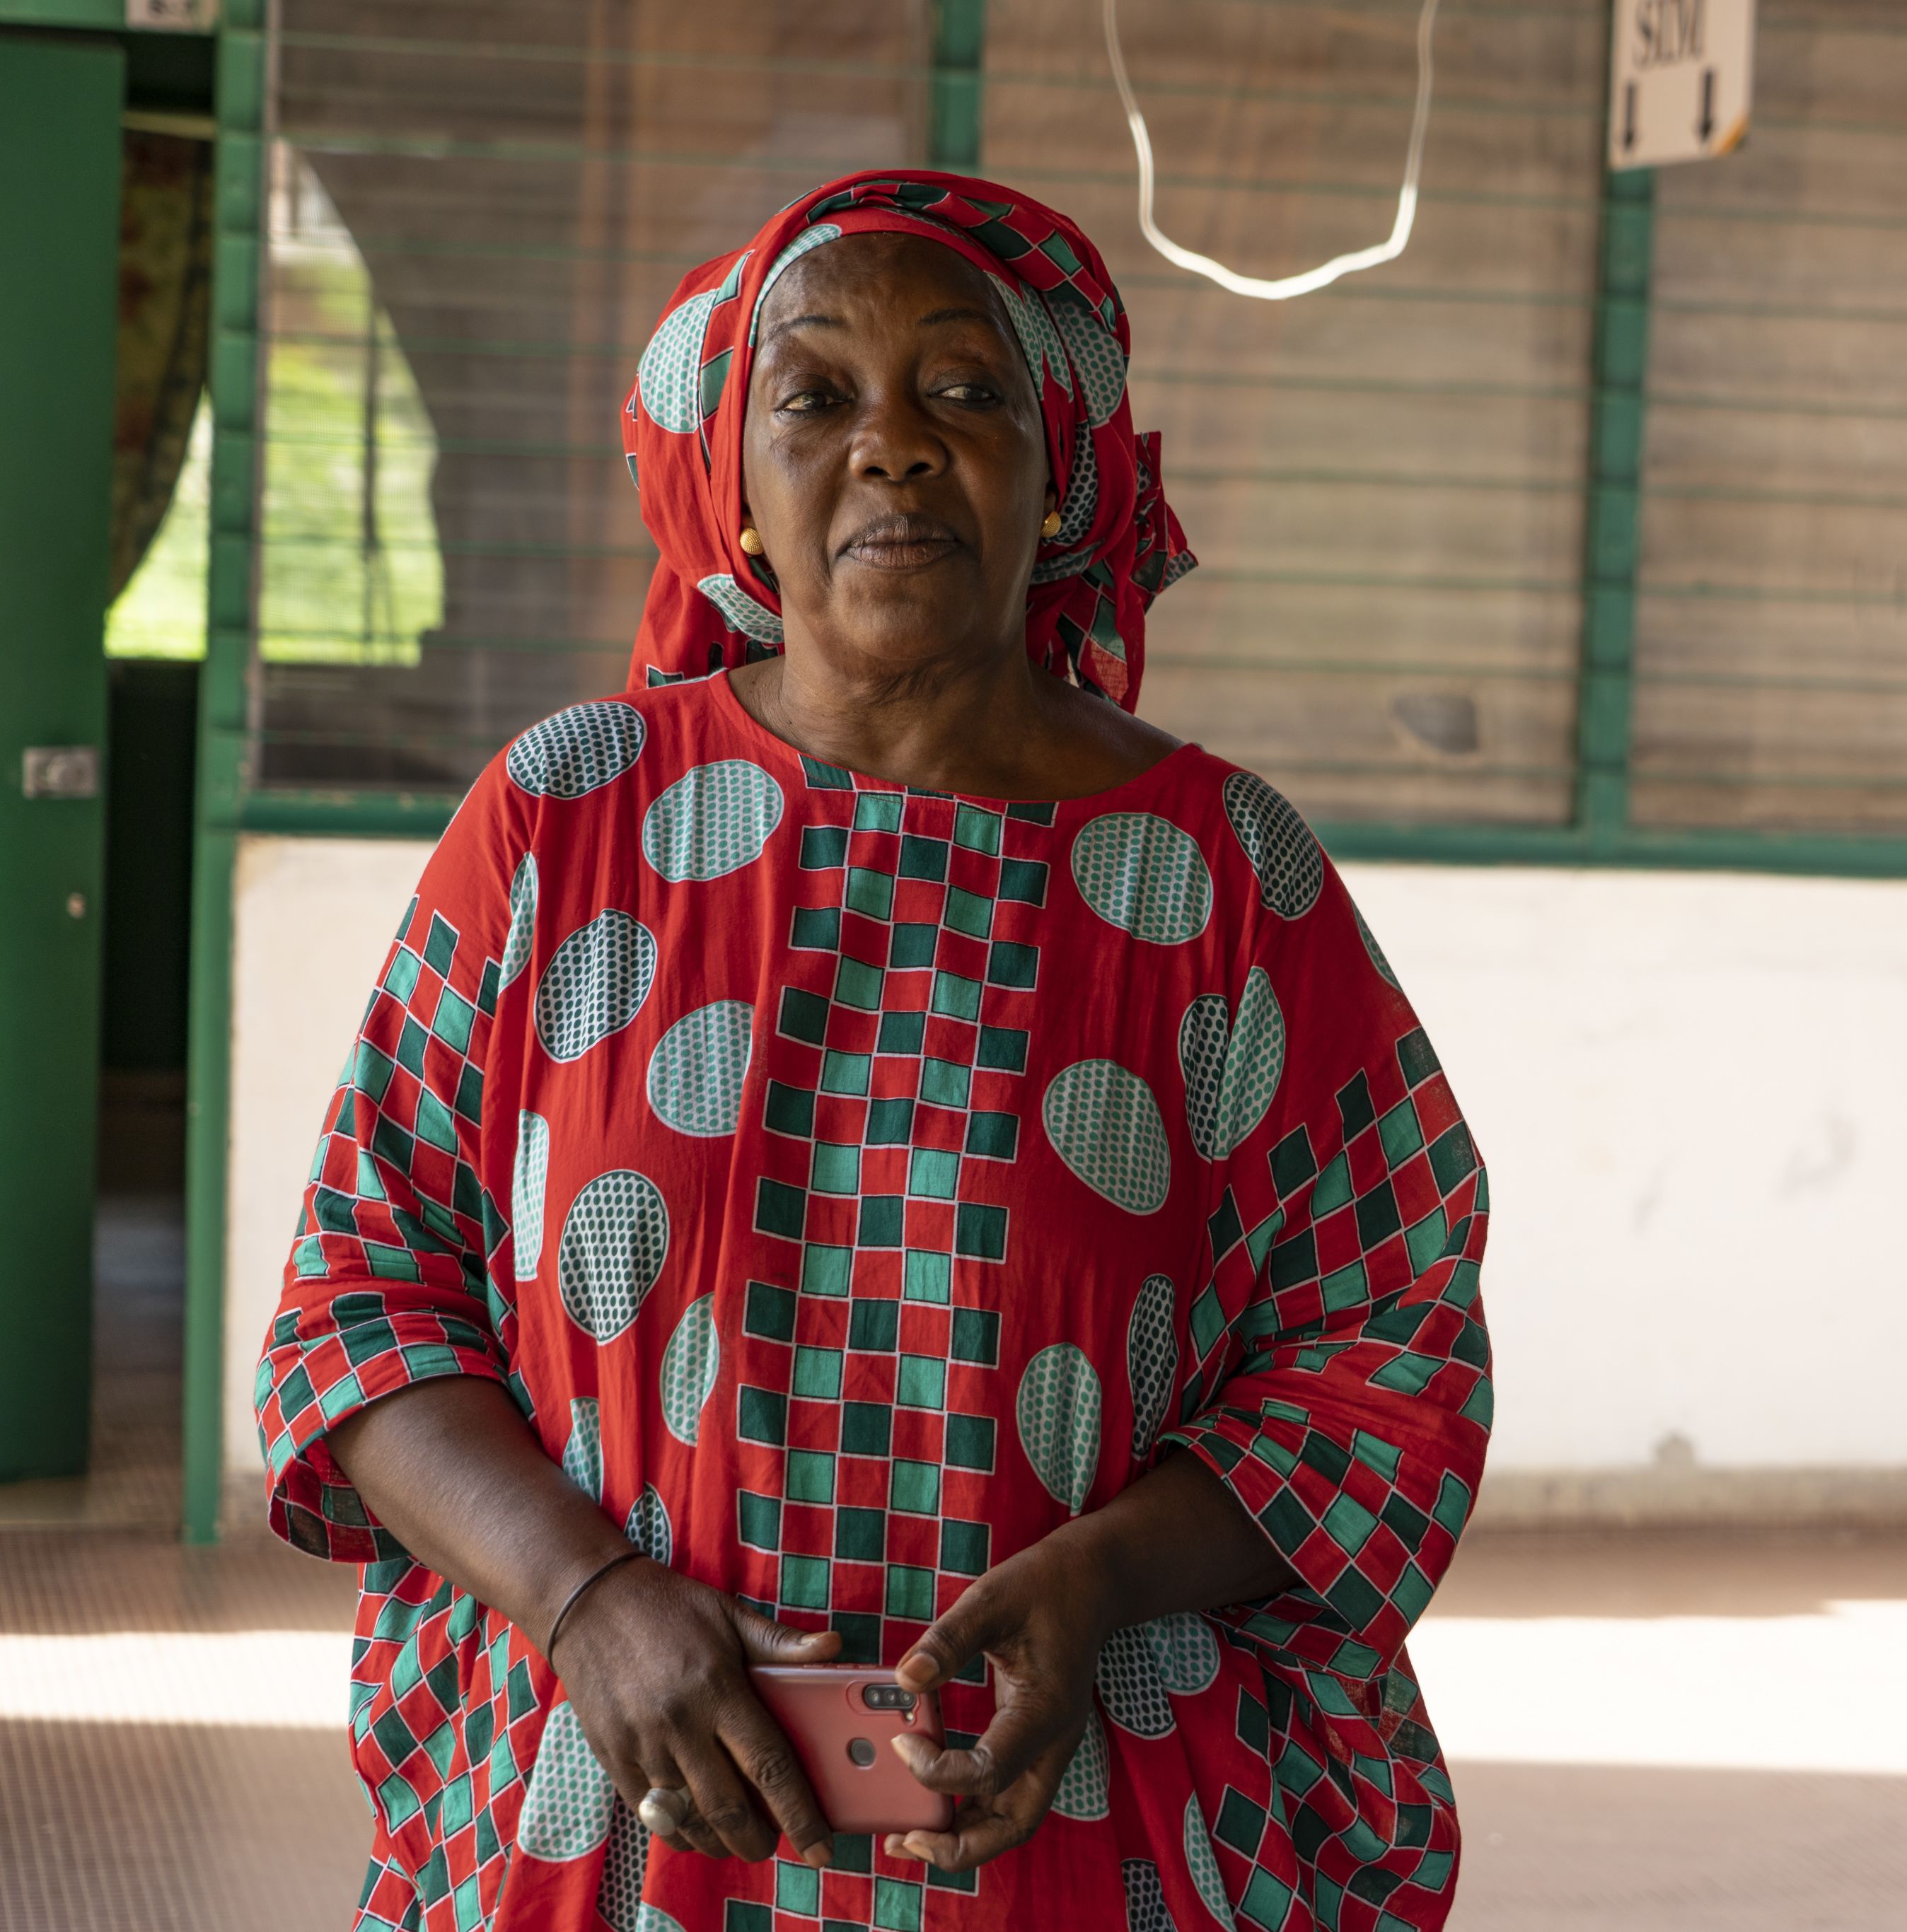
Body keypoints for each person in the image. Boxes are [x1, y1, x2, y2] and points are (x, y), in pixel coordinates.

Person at [255, 170, 1494, 1932]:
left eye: (965, 392)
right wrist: (588, 1595)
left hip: (1079, 1835)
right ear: (732, 496)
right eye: (816, 393)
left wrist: (1103, 1578)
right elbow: (360, 1301)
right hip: (621, 1827)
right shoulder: (561, 821)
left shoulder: (1223, 878)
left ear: (1055, 468)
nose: (894, 446)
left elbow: (1387, 1343)